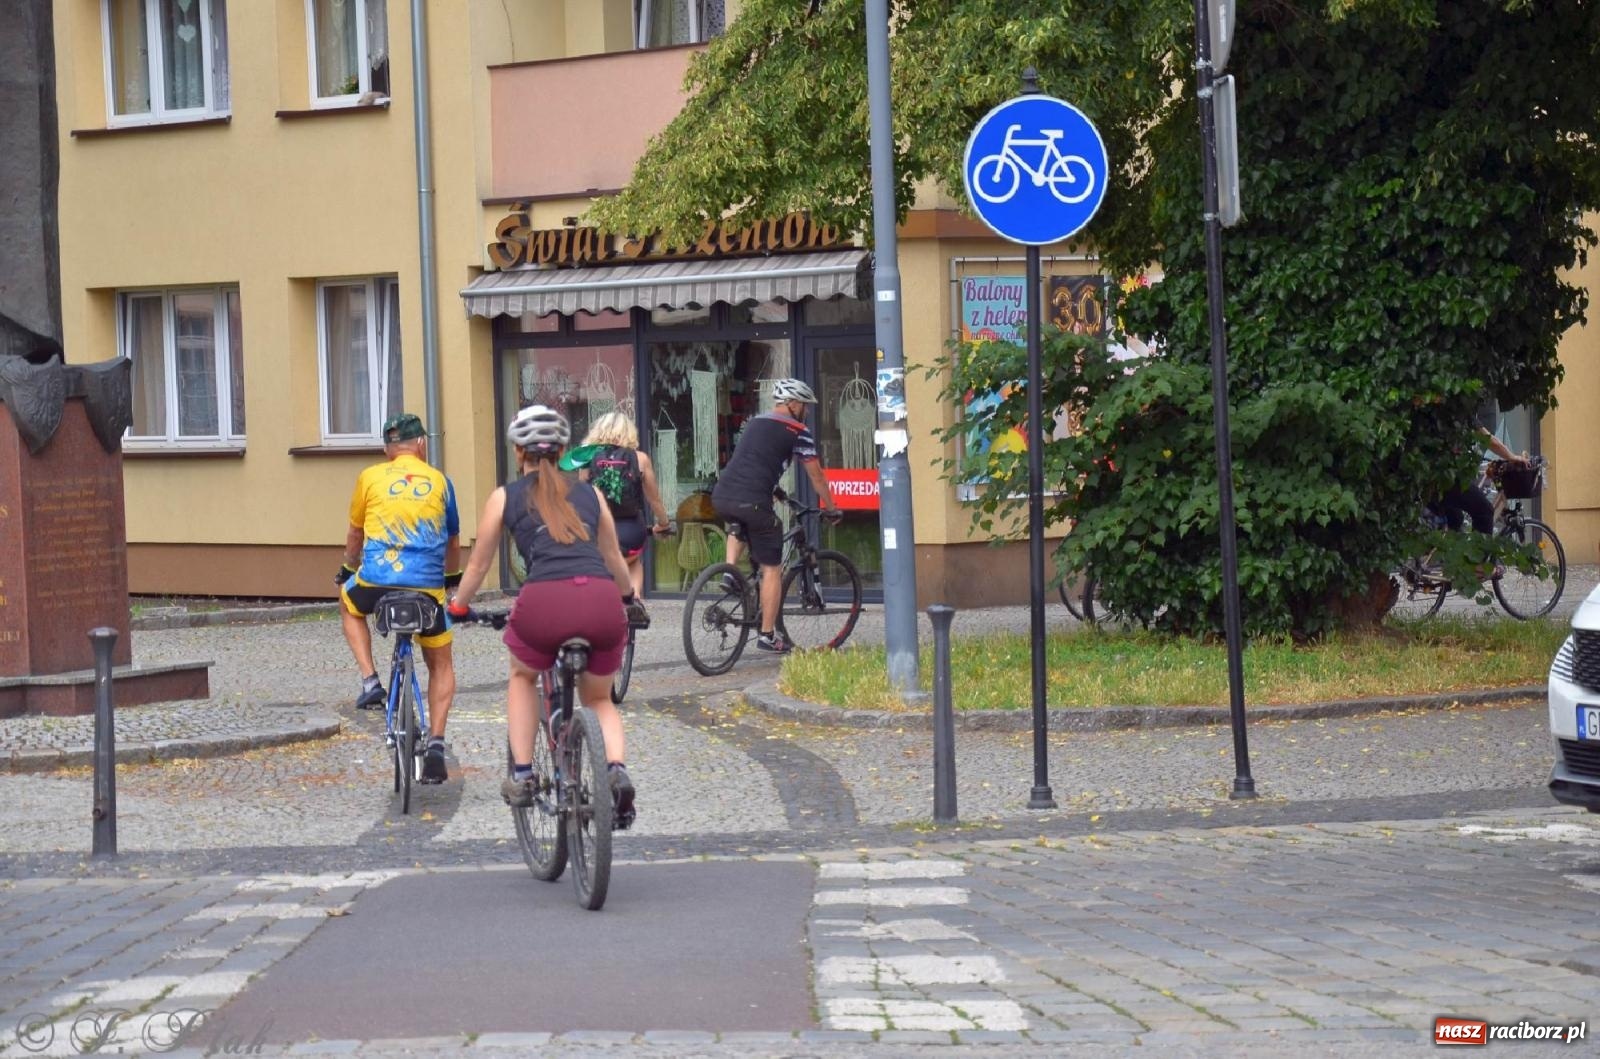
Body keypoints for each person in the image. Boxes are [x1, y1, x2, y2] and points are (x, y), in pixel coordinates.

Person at [447, 405, 647, 822]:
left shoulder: (505, 497)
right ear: (563, 452)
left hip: (543, 602)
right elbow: (612, 556)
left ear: (519, 452)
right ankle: (616, 771)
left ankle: (522, 774)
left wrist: (459, 606)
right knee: (599, 698)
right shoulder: (590, 493)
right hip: (599, 599)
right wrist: (629, 601)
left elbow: (480, 565)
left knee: (522, 675)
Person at [335, 412, 462, 784]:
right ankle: (436, 743)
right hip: (425, 588)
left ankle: (371, 681)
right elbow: (453, 540)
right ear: (421, 444)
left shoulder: (369, 477)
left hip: (377, 581)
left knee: (347, 603)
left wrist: (347, 569)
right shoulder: (440, 481)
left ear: (386, 449)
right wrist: (451, 579)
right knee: (440, 663)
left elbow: (355, 534)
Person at [711, 378, 843, 654]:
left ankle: (729, 571)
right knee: (771, 566)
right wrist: (830, 507)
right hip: (754, 501)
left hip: (723, 495)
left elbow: (754, 463)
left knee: (740, 523)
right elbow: (816, 475)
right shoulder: (798, 430)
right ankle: (768, 635)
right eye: (804, 406)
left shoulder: (755, 422)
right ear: (793, 404)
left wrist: (777, 491)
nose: (806, 411)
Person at [578, 411, 673, 599]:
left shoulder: (587, 459)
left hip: (599, 532)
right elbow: (654, 500)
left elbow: (583, 499)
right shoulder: (640, 459)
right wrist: (664, 524)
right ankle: (635, 598)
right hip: (631, 532)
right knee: (634, 562)